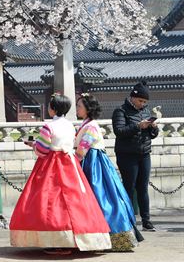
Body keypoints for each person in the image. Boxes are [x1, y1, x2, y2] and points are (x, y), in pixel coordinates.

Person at [10, 94, 111, 254]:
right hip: (69, 163)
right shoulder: (70, 126)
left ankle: (53, 239)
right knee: (74, 200)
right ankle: (76, 238)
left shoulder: (48, 126)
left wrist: (32, 144)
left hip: (51, 165)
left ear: (53, 109)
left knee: (50, 200)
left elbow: (42, 149)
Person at [75, 93, 141, 251]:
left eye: (79, 106)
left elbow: (82, 151)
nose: (77, 109)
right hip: (93, 163)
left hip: (93, 165)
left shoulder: (90, 126)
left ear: (88, 109)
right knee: (104, 199)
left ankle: (108, 236)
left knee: (101, 199)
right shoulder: (87, 124)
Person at [112, 81, 160, 232]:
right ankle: (128, 219)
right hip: (127, 155)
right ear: (132, 97)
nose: (142, 104)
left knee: (143, 188)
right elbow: (119, 131)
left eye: (145, 102)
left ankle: (146, 220)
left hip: (144, 153)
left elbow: (151, 136)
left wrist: (153, 128)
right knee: (129, 187)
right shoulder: (120, 111)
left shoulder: (145, 112)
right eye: (140, 101)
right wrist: (138, 126)